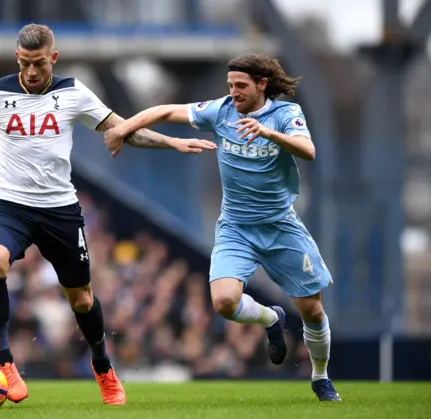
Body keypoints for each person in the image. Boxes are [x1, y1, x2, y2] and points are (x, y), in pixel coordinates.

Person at [0, 23, 216, 405]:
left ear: (54, 58)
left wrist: (172, 143)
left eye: (40, 63)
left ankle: (103, 368)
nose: (32, 72)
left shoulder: (73, 92)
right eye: (26, 63)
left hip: (59, 210)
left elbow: (122, 129)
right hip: (9, 204)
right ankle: (4, 364)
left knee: (81, 299)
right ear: (18, 58)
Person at [103, 54, 341, 402]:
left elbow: (308, 150)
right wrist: (124, 128)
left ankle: (320, 377)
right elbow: (168, 110)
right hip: (236, 228)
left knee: (313, 310)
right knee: (225, 302)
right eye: (230, 85)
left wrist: (269, 133)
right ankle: (270, 319)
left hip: (281, 226)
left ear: (262, 84)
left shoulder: (286, 114)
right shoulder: (222, 110)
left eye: (241, 86)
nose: (234, 92)